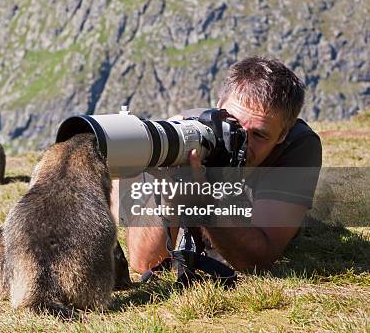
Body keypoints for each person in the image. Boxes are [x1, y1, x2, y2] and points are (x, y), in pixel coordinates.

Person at [113, 56, 323, 273]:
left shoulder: (297, 146)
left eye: (259, 135)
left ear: (282, 135)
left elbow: (258, 259)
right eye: (232, 125)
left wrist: (203, 203)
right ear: (218, 106)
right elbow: (144, 263)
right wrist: (170, 192)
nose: (242, 142)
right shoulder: (186, 136)